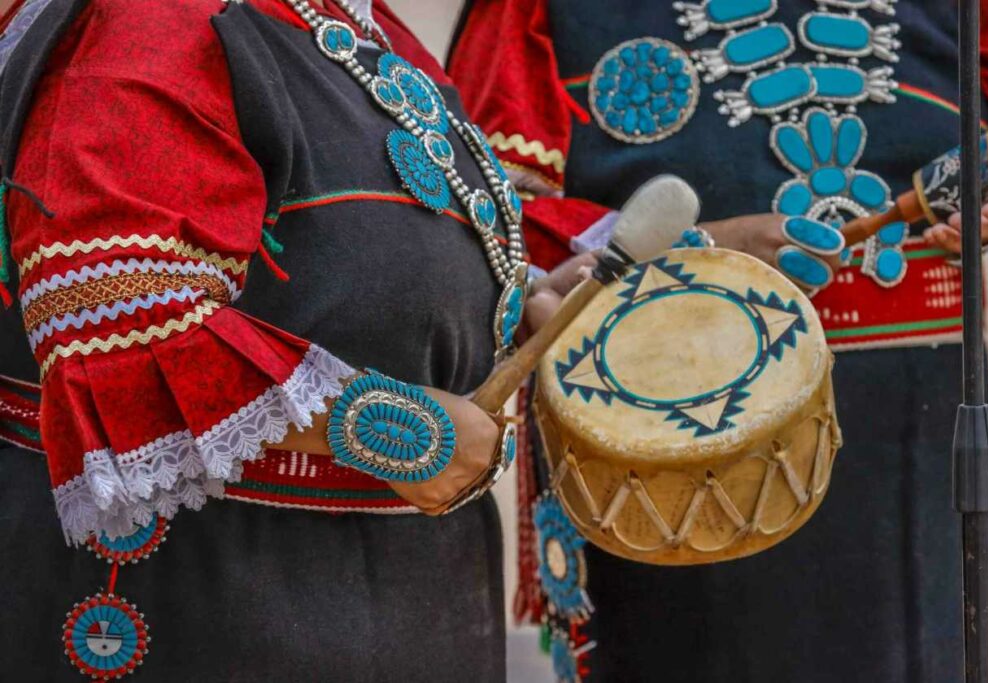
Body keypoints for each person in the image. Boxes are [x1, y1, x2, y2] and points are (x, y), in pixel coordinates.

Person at [0, 0, 590, 679]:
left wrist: (522, 297)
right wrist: (395, 427)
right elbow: (112, 320)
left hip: (403, 600)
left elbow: (353, 265)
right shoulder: (146, 25)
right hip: (226, 604)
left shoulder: (361, 27)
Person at [449, 1, 988, 681]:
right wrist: (706, 252)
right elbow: (486, 223)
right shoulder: (534, 12)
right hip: (676, 441)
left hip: (922, 449)